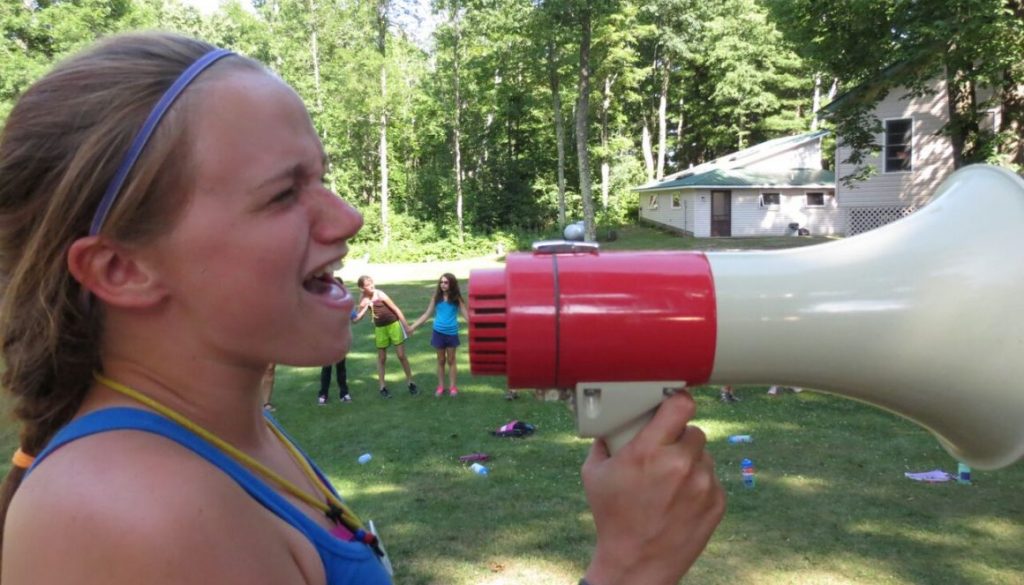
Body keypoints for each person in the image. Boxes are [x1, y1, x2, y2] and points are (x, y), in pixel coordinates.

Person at [0, 32, 725, 585]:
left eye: (323, 177)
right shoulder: (130, 516)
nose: (345, 217)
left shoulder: (226, 438)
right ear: (121, 268)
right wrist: (629, 567)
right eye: (284, 194)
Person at [353, 275, 417, 398]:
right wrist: (364, 308)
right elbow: (357, 318)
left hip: (393, 325)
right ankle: (382, 386)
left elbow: (396, 309)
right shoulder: (363, 298)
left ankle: (411, 382)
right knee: (381, 358)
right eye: (367, 285)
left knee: (401, 355)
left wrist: (407, 326)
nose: (371, 286)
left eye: (371, 283)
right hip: (380, 329)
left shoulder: (380, 294)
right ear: (362, 288)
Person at [409, 273, 469, 397]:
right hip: (438, 333)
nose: (443, 285)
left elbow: (466, 315)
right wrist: (412, 327)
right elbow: (426, 315)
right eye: (441, 282)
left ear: (451, 284)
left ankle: (452, 387)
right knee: (441, 360)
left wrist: (476, 326)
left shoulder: (456, 298)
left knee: (451, 360)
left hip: (452, 333)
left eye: (446, 282)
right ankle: (441, 386)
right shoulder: (436, 298)